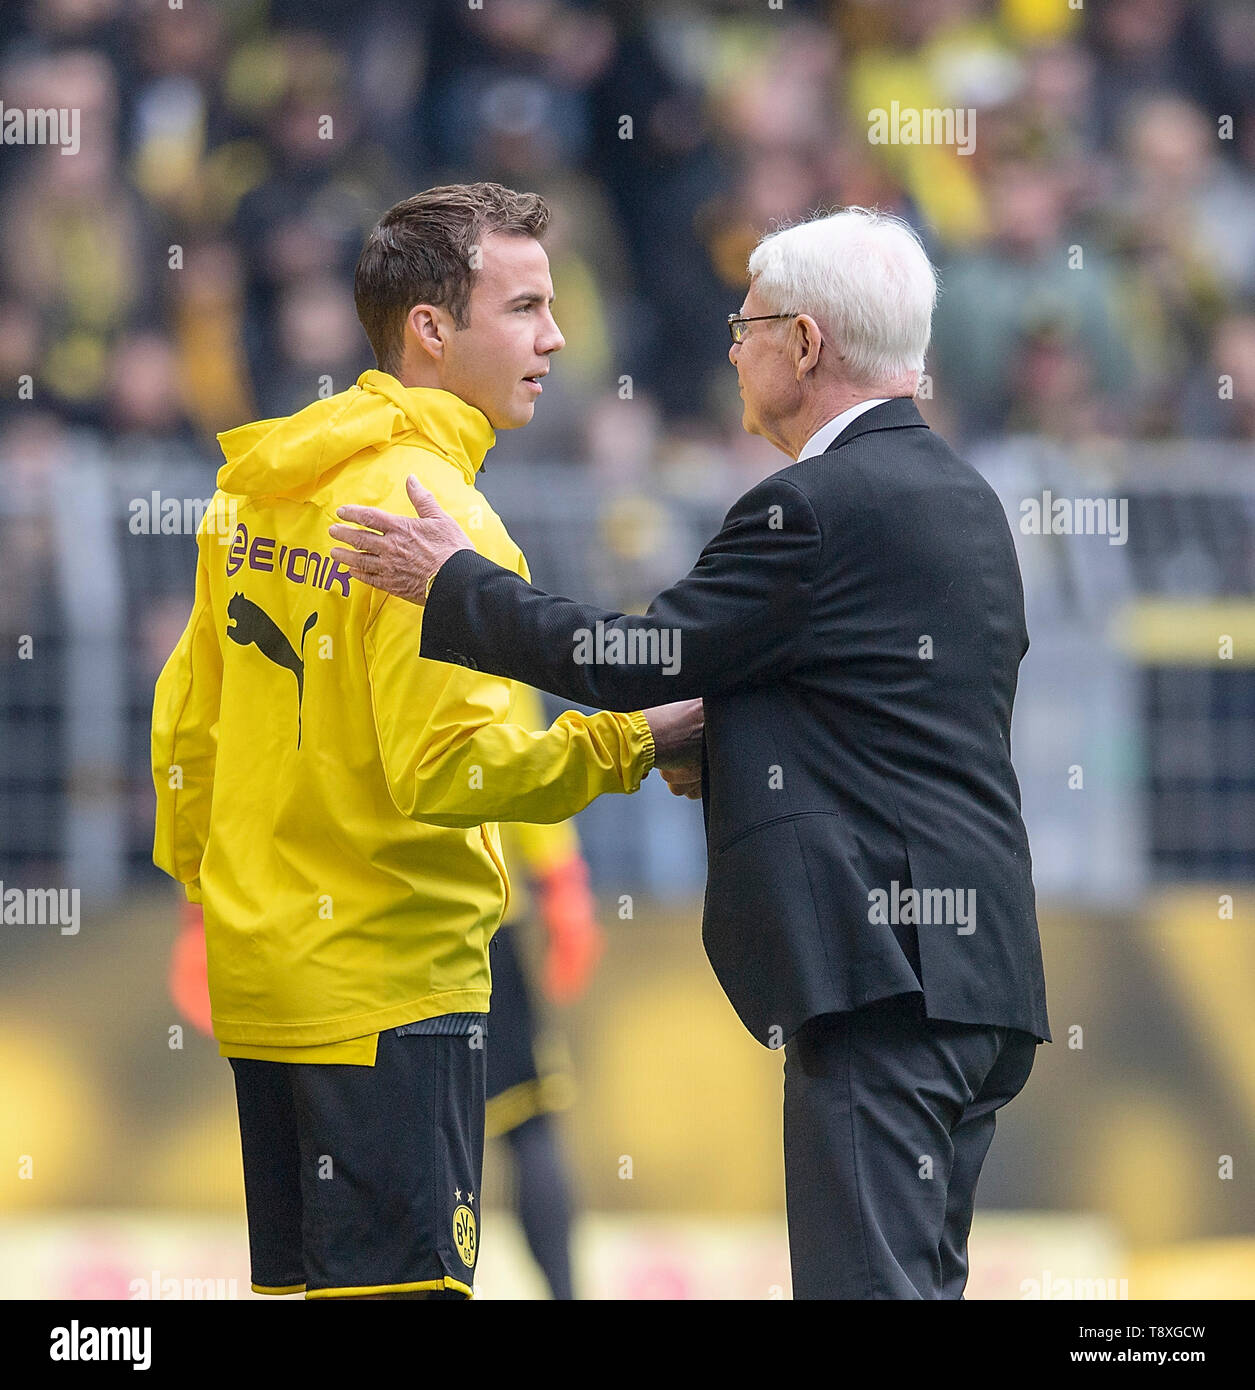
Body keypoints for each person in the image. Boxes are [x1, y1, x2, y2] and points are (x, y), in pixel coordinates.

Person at [328, 206, 1052, 1300]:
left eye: (747, 323)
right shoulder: (964, 499)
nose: (731, 348)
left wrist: (453, 581)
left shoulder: (810, 509)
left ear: (804, 344)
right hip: (980, 974)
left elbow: (633, 657)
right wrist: (742, 738)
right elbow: (891, 713)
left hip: (881, 982)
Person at [151, 182, 701, 1301]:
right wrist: (628, 743)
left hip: (274, 988)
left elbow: (186, 725)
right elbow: (453, 768)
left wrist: (205, 899)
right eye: (526, 308)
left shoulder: (259, 486)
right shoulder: (442, 520)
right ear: (431, 330)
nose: (557, 336)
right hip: (391, 992)